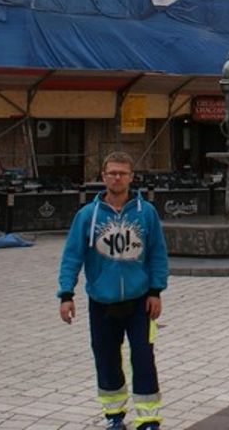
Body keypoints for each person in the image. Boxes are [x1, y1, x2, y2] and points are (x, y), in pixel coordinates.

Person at [58, 152, 169, 430]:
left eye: (122, 173)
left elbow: (157, 253)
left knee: (143, 358)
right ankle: (114, 416)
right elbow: (72, 256)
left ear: (131, 177)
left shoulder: (147, 213)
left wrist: (156, 290)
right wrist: (66, 294)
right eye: (112, 173)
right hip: (101, 302)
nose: (117, 178)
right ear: (103, 176)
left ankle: (148, 418)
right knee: (106, 359)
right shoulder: (87, 216)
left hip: (140, 302)